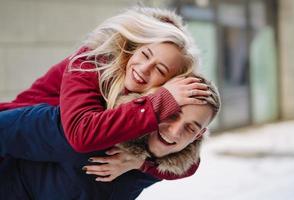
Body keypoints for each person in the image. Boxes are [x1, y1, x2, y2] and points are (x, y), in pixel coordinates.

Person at [0, 7, 210, 180]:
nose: (144, 69)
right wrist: (159, 103)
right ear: (134, 47)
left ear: (168, 83)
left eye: (160, 70)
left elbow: (188, 162)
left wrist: (142, 164)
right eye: (145, 54)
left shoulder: (152, 100)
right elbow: (80, 135)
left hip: (49, 167)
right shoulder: (92, 61)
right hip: (13, 140)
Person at [0, 73, 221, 200]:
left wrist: (142, 164)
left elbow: (187, 167)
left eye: (191, 128)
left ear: (199, 136)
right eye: (171, 114)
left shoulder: (166, 160)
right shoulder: (86, 129)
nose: (174, 131)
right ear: (155, 101)